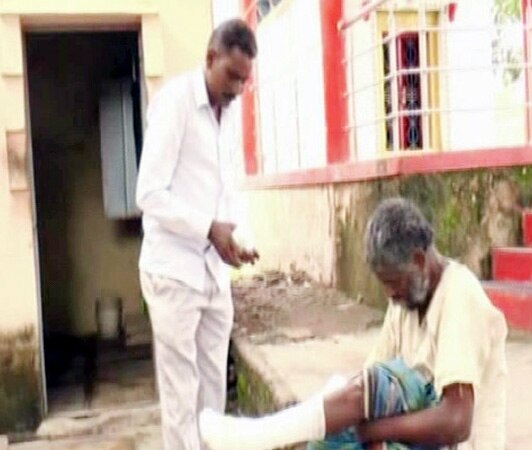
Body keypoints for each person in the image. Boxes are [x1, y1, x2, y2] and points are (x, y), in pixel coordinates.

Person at [199, 197, 508, 450]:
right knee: (334, 430)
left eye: (393, 282)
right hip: (417, 439)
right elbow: (367, 384)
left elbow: (456, 421)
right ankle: (275, 436)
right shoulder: (407, 299)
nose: (389, 293)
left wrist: (369, 431)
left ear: (418, 260)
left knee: (373, 395)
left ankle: (259, 436)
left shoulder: (460, 295)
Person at [136, 19, 259, 450]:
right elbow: (148, 192)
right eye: (231, 77)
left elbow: (223, 187)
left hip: (212, 274)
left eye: (244, 81)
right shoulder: (174, 104)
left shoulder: (229, 113)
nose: (238, 89)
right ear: (210, 58)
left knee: (212, 395)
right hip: (173, 273)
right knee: (181, 397)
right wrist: (208, 229)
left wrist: (233, 242)